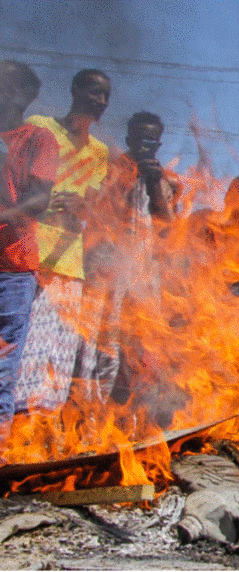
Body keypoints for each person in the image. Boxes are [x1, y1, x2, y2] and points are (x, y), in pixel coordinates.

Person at [17, 69, 110, 412]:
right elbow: (13, 179)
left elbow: (97, 209)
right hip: (27, 255)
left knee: (57, 354)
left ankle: (44, 431)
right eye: (94, 92)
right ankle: (15, 426)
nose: (99, 101)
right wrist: (42, 201)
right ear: (75, 90)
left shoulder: (100, 153)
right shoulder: (41, 126)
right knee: (23, 349)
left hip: (70, 265)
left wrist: (84, 206)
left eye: (105, 97)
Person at [78, 111, 181, 403]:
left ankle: (127, 411)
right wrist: (126, 181)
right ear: (129, 139)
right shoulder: (109, 168)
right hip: (107, 268)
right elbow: (95, 210)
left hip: (144, 274)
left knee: (139, 343)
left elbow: (168, 224)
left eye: (152, 141)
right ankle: (90, 408)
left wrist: (152, 183)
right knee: (103, 342)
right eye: (140, 139)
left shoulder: (165, 180)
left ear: (159, 144)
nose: (145, 146)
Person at [0, 61, 56, 428]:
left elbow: (38, 202)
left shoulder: (37, 140)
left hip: (12, 267)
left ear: (25, 95)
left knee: (3, 359)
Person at [185, 174, 239, 297]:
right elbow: (173, 246)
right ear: (227, 195)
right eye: (236, 192)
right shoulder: (202, 218)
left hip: (225, 308)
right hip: (190, 296)